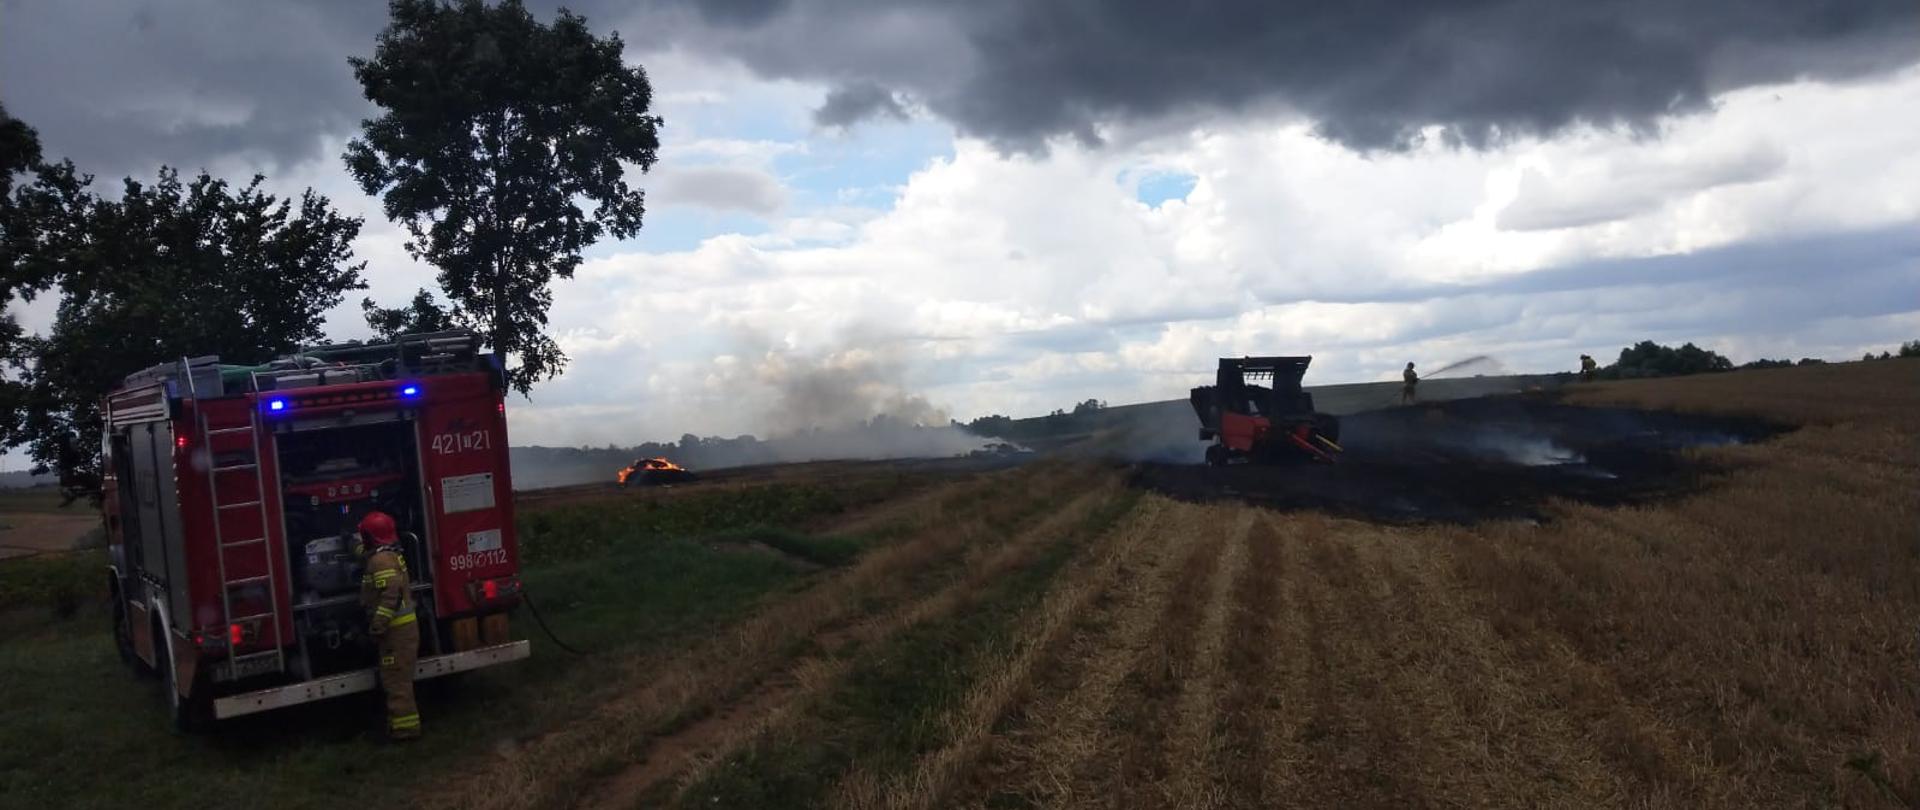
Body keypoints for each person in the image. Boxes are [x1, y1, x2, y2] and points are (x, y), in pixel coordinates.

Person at [357, 511, 420, 741]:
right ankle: (398, 727)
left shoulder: (380, 560)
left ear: (371, 537)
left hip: (395, 632)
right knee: (396, 680)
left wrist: (377, 626)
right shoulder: (389, 554)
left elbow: (389, 597)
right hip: (400, 631)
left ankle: (405, 732)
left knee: (396, 682)